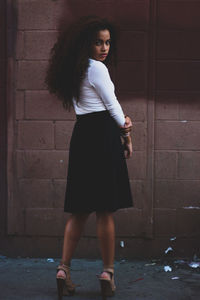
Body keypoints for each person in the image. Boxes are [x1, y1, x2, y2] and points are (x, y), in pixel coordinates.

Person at [45, 15, 133, 299]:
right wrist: (126, 132)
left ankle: (63, 269)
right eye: (98, 42)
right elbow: (113, 106)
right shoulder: (97, 69)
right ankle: (107, 272)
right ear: (87, 44)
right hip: (104, 135)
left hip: (82, 135)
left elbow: (86, 105)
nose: (104, 48)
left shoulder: (73, 69)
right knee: (105, 210)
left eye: (107, 42)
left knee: (80, 209)